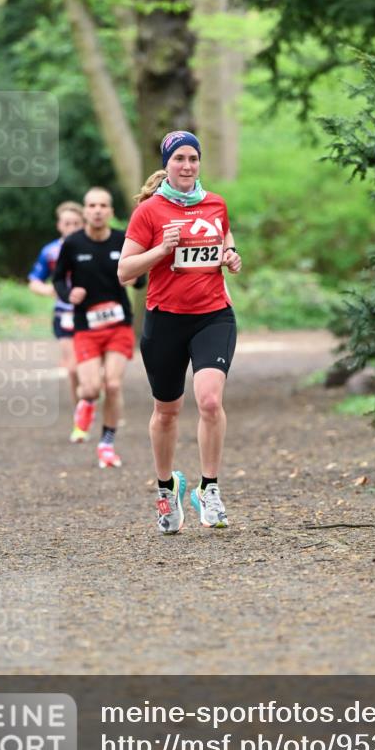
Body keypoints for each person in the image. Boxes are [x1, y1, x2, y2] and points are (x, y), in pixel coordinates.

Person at [118, 130, 242, 534]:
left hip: (213, 316)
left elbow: (225, 238)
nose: (187, 166)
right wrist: (160, 250)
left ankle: (210, 489)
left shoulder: (216, 203)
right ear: (167, 164)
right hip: (165, 321)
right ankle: (167, 489)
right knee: (166, 412)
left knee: (210, 401)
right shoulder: (149, 212)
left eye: (193, 158)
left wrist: (230, 255)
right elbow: (124, 271)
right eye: (179, 159)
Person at [53, 187, 145, 468]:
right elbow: (58, 279)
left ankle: (106, 444)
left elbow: (140, 278)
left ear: (111, 211)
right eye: (92, 205)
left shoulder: (122, 240)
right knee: (91, 388)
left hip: (118, 324)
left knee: (113, 385)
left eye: (103, 205)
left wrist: (134, 279)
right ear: (85, 211)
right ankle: (87, 403)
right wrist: (69, 294)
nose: (97, 210)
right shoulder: (73, 243)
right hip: (86, 326)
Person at [27, 201, 84, 407]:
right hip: (64, 314)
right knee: (73, 368)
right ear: (59, 225)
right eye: (67, 223)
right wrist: (51, 290)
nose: (72, 228)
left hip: (93, 313)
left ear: (83, 224)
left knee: (92, 368)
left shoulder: (93, 246)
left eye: (76, 223)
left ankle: (91, 393)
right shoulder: (50, 251)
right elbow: (34, 281)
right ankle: (81, 411)